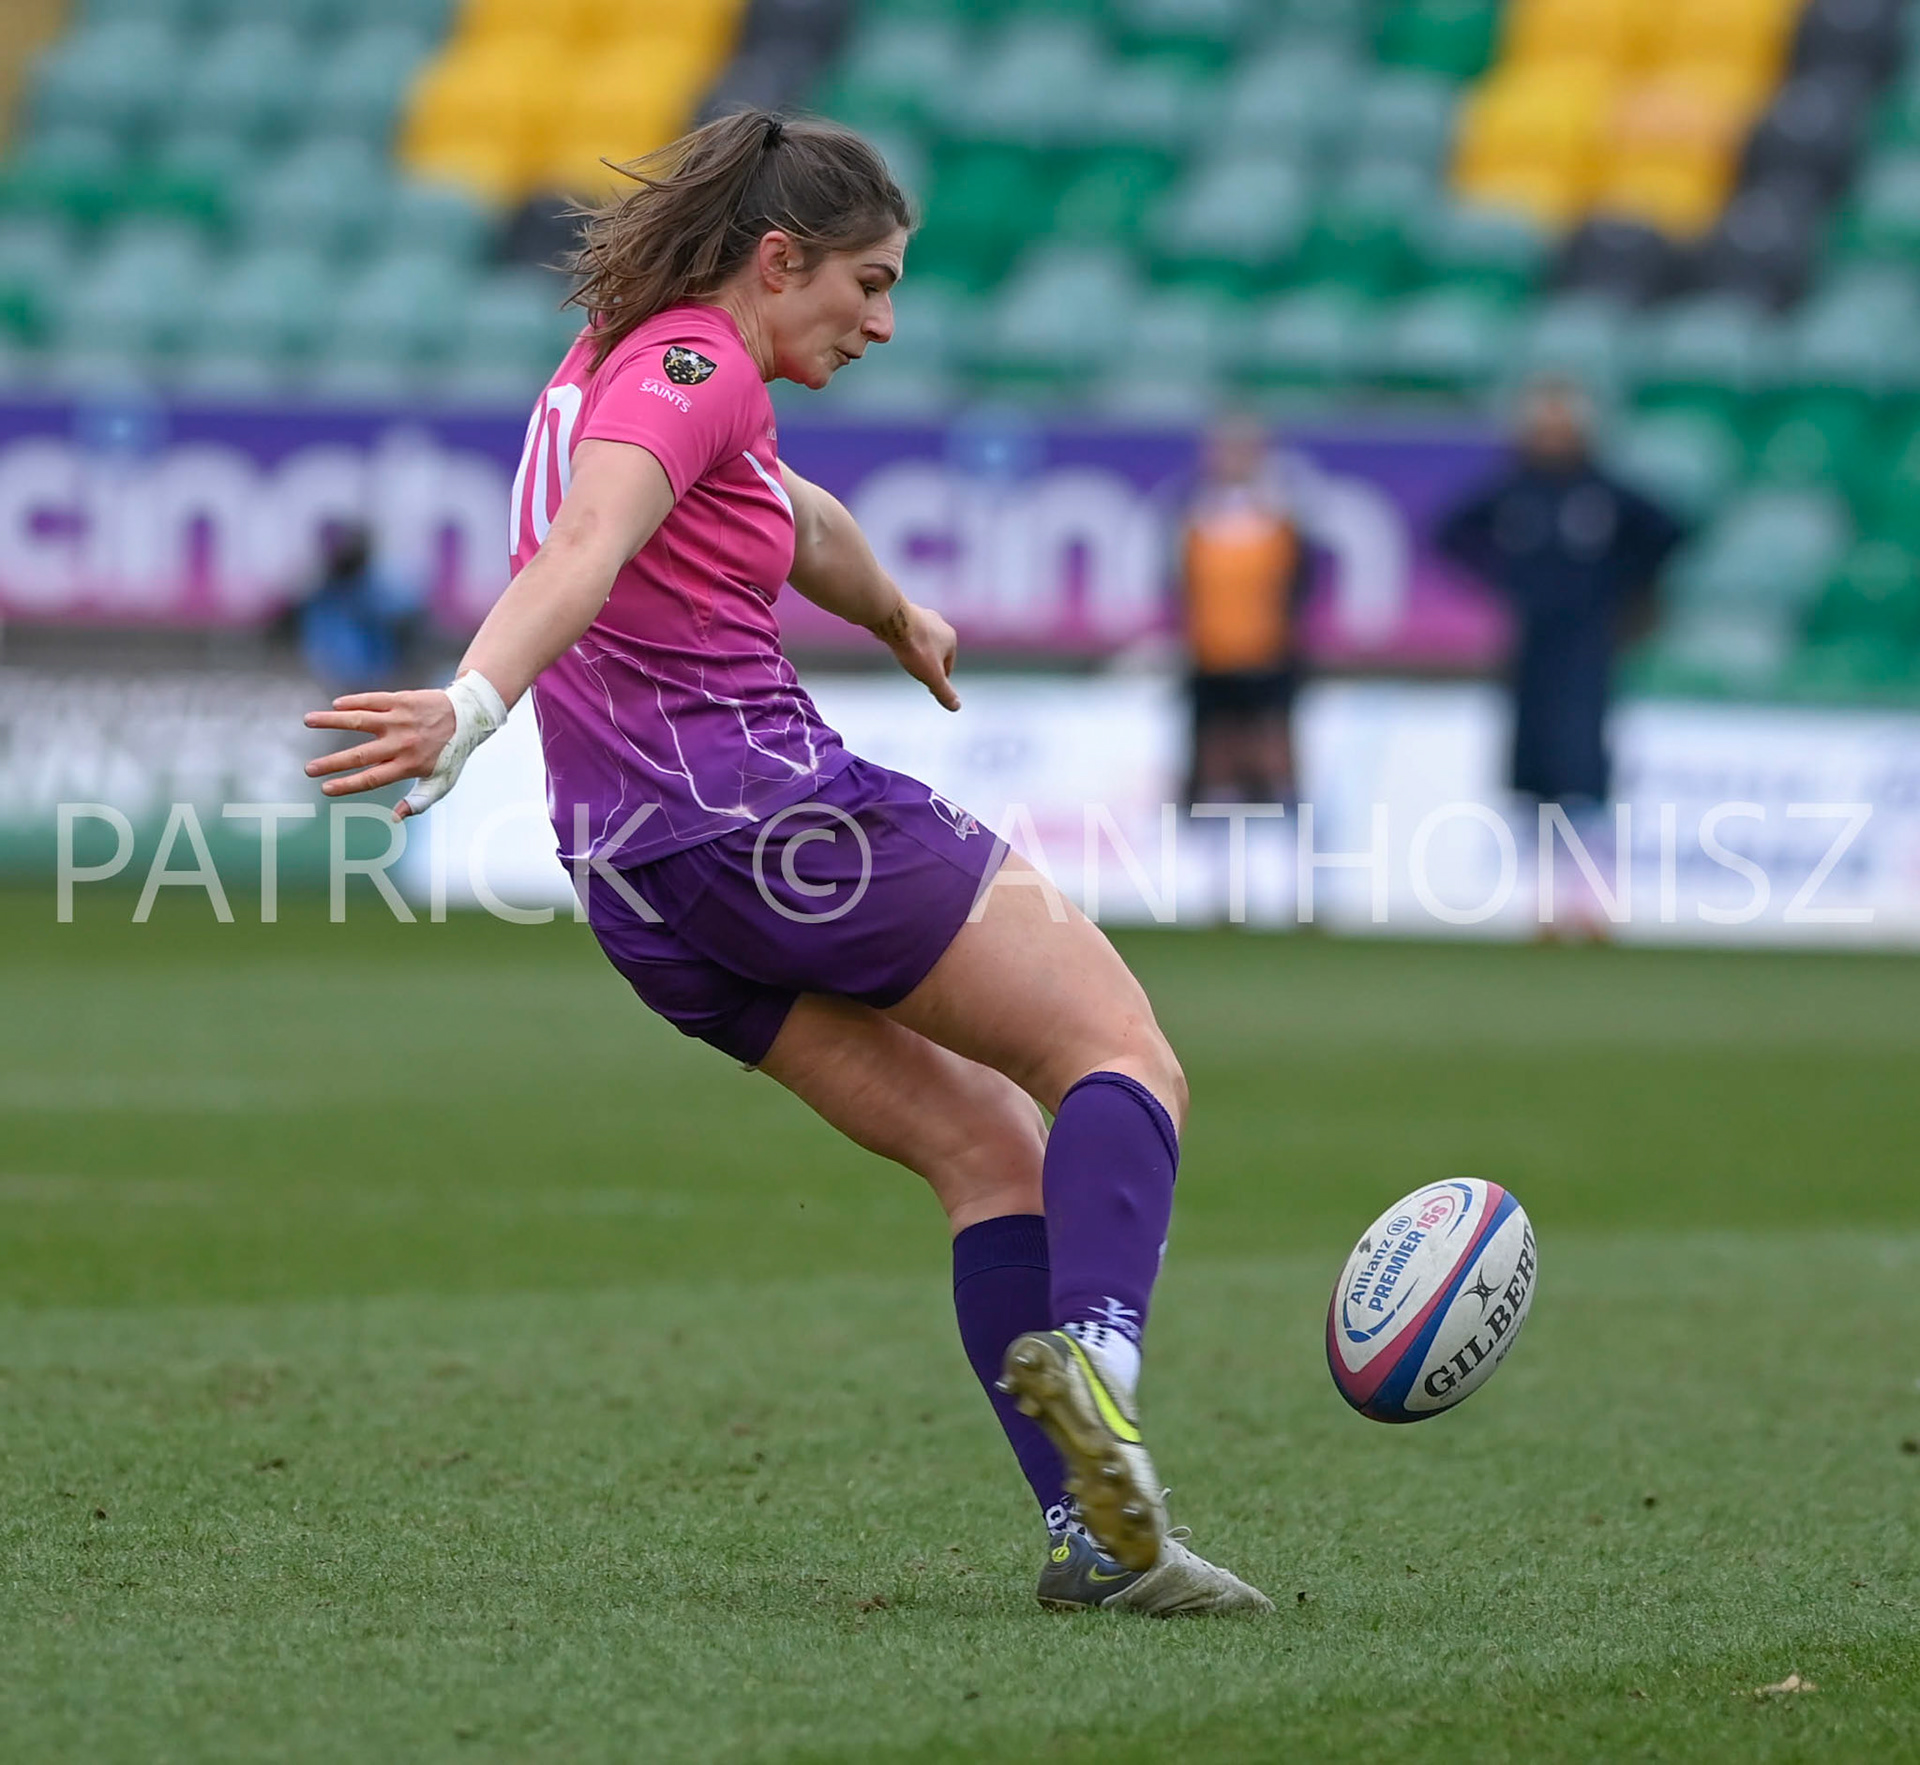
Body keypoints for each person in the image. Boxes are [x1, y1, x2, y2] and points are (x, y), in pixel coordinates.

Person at [302, 110, 1270, 1618]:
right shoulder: (687, 369)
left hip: (641, 894)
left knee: (987, 1154)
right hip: (778, 827)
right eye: (867, 285)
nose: (884, 321)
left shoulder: (630, 369)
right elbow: (583, 549)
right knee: (1120, 1052)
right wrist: (471, 704)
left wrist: (893, 610)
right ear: (777, 259)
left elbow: (791, 515)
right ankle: (1104, 1362)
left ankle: (1097, 1538)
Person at [1434, 378, 1683, 927]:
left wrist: (1626, 591)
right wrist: (1503, 579)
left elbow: (1668, 531)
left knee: (1582, 767)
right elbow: (1451, 532)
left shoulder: (1602, 492)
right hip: (1533, 646)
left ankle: (1594, 897)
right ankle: (1547, 901)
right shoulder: (1516, 491)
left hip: (1586, 645)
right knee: (1537, 773)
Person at [1179, 415, 1316, 808]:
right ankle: (1209, 844)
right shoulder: (1193, 514)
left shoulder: (1282, 517)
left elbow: (1300, 586)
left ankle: (1282, 836)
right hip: (1210, 658)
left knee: (1271, 752)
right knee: (1214, 755)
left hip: (1269, 658)